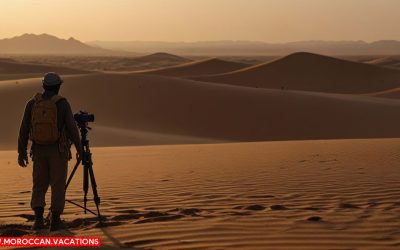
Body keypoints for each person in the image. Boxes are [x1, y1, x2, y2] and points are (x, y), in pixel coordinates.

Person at [18, 72, 82, 231]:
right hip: (58, 151)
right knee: (57, 185)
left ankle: (38, 220)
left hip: (38, 151)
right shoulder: (62, 104)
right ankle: (55, 220)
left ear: (43, 85)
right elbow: (73, 129)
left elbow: (24, 129)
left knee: (39, 185)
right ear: (58, 86)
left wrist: (21, 152)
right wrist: (81, 150)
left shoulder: (32, 103)